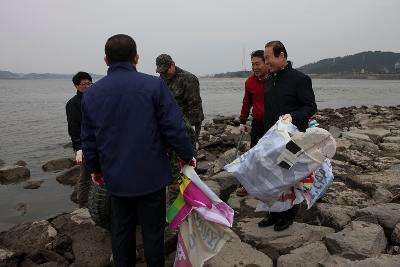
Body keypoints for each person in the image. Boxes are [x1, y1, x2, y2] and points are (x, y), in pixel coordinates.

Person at [81, 34, 194, 267]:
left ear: (105, 60)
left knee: (121, 231)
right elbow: (174, 126)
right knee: (153, 232)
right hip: (151, 176)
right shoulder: (154, 85)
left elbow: (89, 140)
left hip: (116, 178)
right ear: (136, 58)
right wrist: (186, 155)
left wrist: (95, 169)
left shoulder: (91, 93)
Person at [258, 40, 317, 231]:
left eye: (269, 58)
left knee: (290, 178)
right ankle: (273, 213)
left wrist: (293, 117)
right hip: (272, 138)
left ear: (281, 56)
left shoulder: (300, 79)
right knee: (273, 175)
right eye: (265, 58)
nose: (266, 62)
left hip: (293, 139)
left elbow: (310, 107)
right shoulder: (271, 79)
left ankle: (288, 215)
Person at [236, 50, 269, 197]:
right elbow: (247, 102)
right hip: (258, 124)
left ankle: (274, 186)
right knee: (254, 154)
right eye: (252, 64)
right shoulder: (249, 82)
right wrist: (242, 121)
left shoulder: (275, 79)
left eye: (258, 64)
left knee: (274, 155)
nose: (255, 67)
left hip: (276, 124)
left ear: (266, 62)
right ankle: (250, 185)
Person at [155, 54, 204, 144]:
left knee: (188, 151)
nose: (164, 74)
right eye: (161, 72)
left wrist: (192, 128)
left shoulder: (188, 79)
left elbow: (195, 105)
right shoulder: (162, 79)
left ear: (172, 65)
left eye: (165, 71)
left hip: (187, 122)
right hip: (169, 123)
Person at [65, 71, 92, 208]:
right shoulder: (73, 104)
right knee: (85, 176)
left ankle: (99, 203)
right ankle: (82, 205)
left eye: (89, 83)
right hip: (83, 145)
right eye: (83, 84)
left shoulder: (95, 99)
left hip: (98, 142)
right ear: (76, 86)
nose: (87, 86)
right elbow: (73, 128)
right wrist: (78, 148)